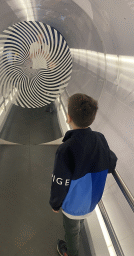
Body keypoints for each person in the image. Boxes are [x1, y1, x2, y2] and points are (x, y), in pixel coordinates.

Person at [49, 93, 118, 256]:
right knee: (79, 223)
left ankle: (71, 253)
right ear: (92, 118)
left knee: (71, 231)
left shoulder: (66, 149)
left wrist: (55, 204)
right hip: (92, 200)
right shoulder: (100, 138)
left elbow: (60, 181)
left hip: (72, 205)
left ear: (68, 117)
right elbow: (111, 162)